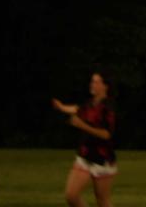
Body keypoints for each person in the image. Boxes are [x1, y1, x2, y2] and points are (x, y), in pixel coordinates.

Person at [53, 72, 118, 207]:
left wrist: (82, 125)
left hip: (102, 159)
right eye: (92, 81)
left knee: (102, 201)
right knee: (71, 196)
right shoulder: (90, 103)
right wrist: (61, 107)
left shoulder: (109, 108)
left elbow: (106, 134)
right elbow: (78, 109)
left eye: (96, 81)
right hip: (85, 155)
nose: (92, 84)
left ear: (105, 86)